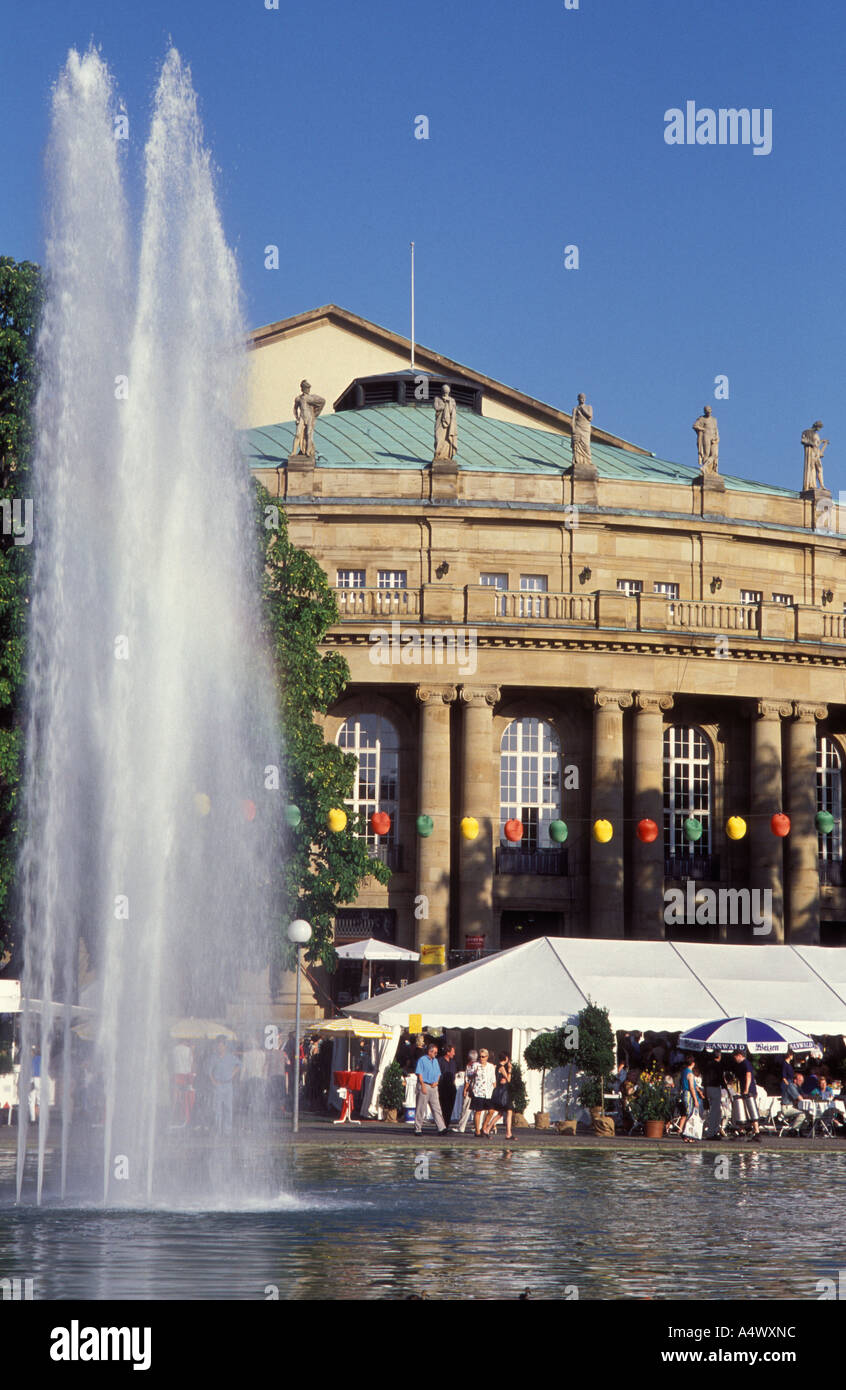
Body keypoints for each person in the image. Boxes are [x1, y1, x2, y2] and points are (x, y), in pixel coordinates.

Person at [209, 1037, 240, 1135]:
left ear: (225, 1047)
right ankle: (217, 1130)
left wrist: (233, 1073)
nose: (219, 1048)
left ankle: (227, 1130)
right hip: (218, 1085)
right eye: (218, 1046)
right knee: (217, 1109)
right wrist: (213, 1081)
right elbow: (209, 1071)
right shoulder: (214, 1057)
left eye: (221, 1046)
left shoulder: (230, 1057)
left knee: (228, 1108)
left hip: (228, 1085)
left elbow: (239, 1064)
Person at [415, 1042, 447, 1134]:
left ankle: (441, 1127)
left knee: (436, 1108)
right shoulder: (422, 1060)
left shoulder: (435, 1061)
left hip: (433, 1086)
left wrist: (436, 1082)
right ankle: (418, 1128)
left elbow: (438, 1073)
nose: (436, 1054)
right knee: (421, 1108)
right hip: (424, 1084)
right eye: (435, 1052)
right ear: (429, 1051)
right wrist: (423, 1086)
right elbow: (419, 1073)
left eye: (436, 1052)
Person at [483, 1052, 514, 1139]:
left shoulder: (497, 1066)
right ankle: (508, 1133)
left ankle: (487, 1129)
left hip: (500, 1092)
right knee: (509, 1111)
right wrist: (510, 1070)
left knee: (500, 1113)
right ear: (506, 1058)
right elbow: (508, 1079)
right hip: (503, 1093)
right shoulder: (501, 1067)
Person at [732, 1049, 761, 1141]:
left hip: (749, 1090)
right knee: (743, 1110)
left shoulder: (746, 1063)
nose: (735, 1059)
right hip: (745, 1090)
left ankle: (757, 1132)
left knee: (751, 1111)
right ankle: (742, 1130)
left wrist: (746, 1089)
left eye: (735, 1057)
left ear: (739, 1055)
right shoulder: (740, 1065)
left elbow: (748, 1076)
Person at [471, 1048, 496, 1136]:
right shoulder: (475, 1065)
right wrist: (474, 1073)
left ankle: (484, 1127)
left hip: (488, 1092)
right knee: (478, 1111)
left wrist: (495, 1089)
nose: (481, 1058)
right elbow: (469, 1076)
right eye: (480, 1056)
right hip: (478, 1091)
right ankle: (477, 1131)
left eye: (483, 1057)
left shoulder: (491, 1066)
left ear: (487, 1057)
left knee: (491, 1111)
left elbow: (493, 1079)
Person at [702, 1050, 726, 1140]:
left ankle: (712, 1131)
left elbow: (704, 1078)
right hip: (715, 1087)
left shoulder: (707, 1065)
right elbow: (720, 1077)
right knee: (715, 1112)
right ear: (719, 1056)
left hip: (707, 1088)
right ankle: (712, 1132)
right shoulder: (719, 1065)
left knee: (713, 1111)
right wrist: (725, 1086)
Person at [452, 1050, 478, 1133]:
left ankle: (461, 1127)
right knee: (477, 1110)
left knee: (466, 1108)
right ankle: (477, 1126)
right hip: (477, 1090)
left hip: (470, 1090)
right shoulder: (479, 1065)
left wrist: (465, 1089)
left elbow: (467, 1079)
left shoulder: (469, 1066)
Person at [172, 1040, 195, 1127]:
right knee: (186, 1098)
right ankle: (186, 1119)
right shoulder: (188, 1050)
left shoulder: (174, 1049)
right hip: (186, 1076)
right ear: (186, 1041)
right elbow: (191, 1063)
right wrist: (192, 1051)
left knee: (177, 1097)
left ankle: (176, 1118)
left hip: (176, 1075)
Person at [438, 1044, 458, 1130]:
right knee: (443, 1106)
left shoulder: (453, 1062)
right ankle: (442, 1126)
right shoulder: (440, 1061)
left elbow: (454, 1074)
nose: (454, 1054)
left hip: (451, 1087)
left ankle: (447, 1124)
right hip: (443, 1087)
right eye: (453, 1052)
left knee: (450, 1107)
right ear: (448, 1052)